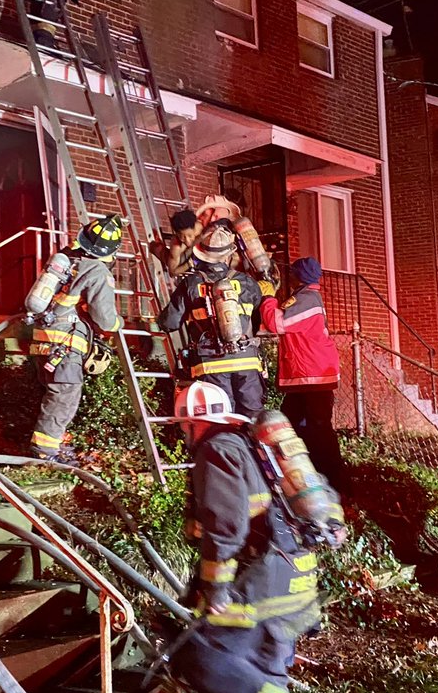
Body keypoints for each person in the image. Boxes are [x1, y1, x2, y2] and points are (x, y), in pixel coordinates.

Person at [169, 381, 323, 693]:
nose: (183, 432)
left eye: (185, 424)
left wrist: (214, 585)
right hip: (296, 580)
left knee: (201, 659)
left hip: (258, 588)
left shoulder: (216, 450)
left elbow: (226, 524)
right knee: (269, 676)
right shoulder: (251, 446)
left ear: (195, 421)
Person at [28, 214, 124, 460]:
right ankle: (45, 452)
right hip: (65, 345)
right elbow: (105, 319)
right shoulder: (98, 271)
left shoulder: (66, 260)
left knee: (56, 395)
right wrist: (118, 323)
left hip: (42, 341)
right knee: (65, 396)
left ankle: (54, 444)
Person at [259, 256, 348, 497]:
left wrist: (267, 298)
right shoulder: (305, 297)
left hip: (313, 377)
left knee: (318, 430)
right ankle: (302, 477)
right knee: (292, 426)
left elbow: (277, 324)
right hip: (306, 377)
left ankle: (335, 483)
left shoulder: (306, 299)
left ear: (298, 275)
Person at [157, 221, 264, 415]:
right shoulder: (247, 282)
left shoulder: (191, 283)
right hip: (247, 360)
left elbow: (169, 323)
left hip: (211, 363)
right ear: (228, 254)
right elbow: (258, 317)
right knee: (254, 418)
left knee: (221, 418)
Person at [149, 208, 203, 280]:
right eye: (183, 237)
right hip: (181, 259)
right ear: (177, 234)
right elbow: (172, 273)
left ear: (194, 229)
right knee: (160, 251)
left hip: (194, 250)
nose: (187, 240)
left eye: (190, 235)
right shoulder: (176, 247)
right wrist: (189, 264)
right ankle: (155, 244)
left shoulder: (200, 229)